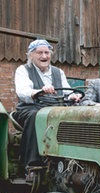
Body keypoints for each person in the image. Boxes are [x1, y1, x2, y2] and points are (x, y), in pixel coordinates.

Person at [14, 39, 81, 179]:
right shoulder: (23, 70)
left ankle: (73, 161)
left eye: (47, 52)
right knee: (36, 117)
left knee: (77, 114)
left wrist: (73, 96)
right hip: (30, 108)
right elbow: (22, 91)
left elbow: (66, 91)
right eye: (39, 53)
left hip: (55, 109)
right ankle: (32, 165)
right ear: (31, 55)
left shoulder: (58, 72)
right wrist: (39, 91)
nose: (44, 56)